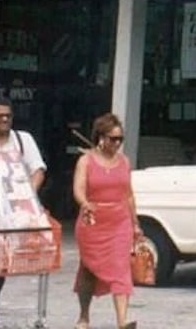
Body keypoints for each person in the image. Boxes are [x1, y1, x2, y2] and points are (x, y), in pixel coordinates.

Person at [72, 113, 143, 329]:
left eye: (120, 139)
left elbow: (128, 194)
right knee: (88, 269)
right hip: (93, 221)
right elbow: (78, 189)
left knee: (121, 269)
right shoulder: (86, 160)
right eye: (113, 138)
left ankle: (122, 321)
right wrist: (85, 203)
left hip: (119, 221)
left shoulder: (124, 162)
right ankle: (84, 316)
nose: (117, 143)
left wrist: (135, 223)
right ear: (100, 137)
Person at [0, 99, 48, 329]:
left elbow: (38, 169)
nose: (4, 119)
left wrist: (27, 194)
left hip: (14, 216)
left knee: (1, 266)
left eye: (8, 115)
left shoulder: (23, 140)